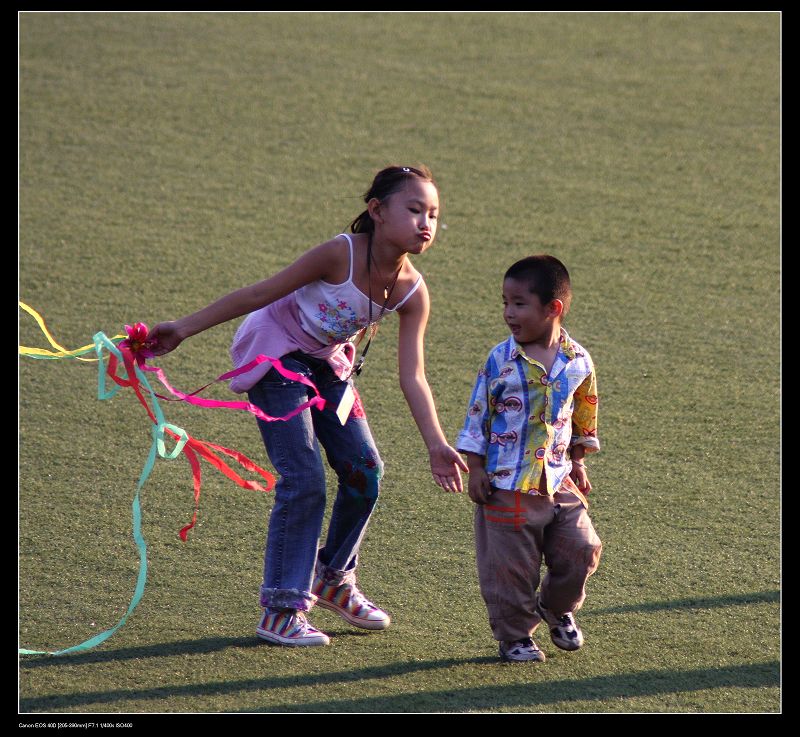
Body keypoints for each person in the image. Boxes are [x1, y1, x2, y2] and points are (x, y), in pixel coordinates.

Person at [147, 165, 468, 647]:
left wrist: (437, 444)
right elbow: (258, 294)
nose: (427, 222)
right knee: (304, 479)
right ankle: (281, 610)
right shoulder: (338, 254)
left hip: (323, 363)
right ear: (377, 212)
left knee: (365, 472)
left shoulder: (411, 291)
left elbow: (413, 376)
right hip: (274, 352)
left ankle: (332, 576)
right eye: (415, 209)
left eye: (434, 214)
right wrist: (183, 328)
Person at [456, 255, 602, 663]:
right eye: (504, 302)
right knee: (510, 570)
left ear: (553, 308)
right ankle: (515, 635)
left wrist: (579, 461)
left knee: (582, 549)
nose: (508, 313)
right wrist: (476, 469)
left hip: (558, 481)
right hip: (506, 486)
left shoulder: (579, 361)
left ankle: (556, 608)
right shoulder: (499, 360)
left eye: (519, 303)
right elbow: (477, 415)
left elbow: (583, 413)